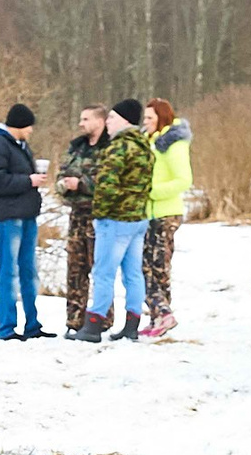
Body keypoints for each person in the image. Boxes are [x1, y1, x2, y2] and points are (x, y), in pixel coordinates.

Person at [75, 98, 155, 343]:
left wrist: (99, 215)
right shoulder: (144, 147)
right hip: (138, 219)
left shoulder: (118, 147)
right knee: (133, 274)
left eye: (111, 117)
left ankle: (93, 325)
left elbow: (106, 187)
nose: (107, 122)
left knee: (103, 273)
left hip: (115, 220)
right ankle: (132, 324)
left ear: (124, 120)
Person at [0, 102, 51, 340]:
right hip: (9, 217)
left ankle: (32, 324)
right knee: (9, 272)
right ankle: (7, 327)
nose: (31, 130)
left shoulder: (20, 145)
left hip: (27, 215)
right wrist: (28, 181)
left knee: (29, 272)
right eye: (29, 126)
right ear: (19, 125)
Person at [142, 96, 193, 338]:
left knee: (158, 266)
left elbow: (184, 179)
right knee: (150, 267)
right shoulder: (150, 142)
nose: (145, 122)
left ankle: (163, 314)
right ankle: (159, 316)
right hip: (149, 213)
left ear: (161, 119)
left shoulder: (173, 144)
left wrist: (152, 193)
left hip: (166, 212)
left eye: (150, 118)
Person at [56, 105, 109, 325]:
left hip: (100, 217)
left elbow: (110, 183)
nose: (81, 123)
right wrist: (64, 184)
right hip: (76, 216)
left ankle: (101, 319)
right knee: (75, 270)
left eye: (86, 119)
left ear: (100, 121)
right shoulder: (77, 148)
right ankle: (75, 320)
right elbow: (62, 172)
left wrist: (83, 184)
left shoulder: (110, 148)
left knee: (100, 270)